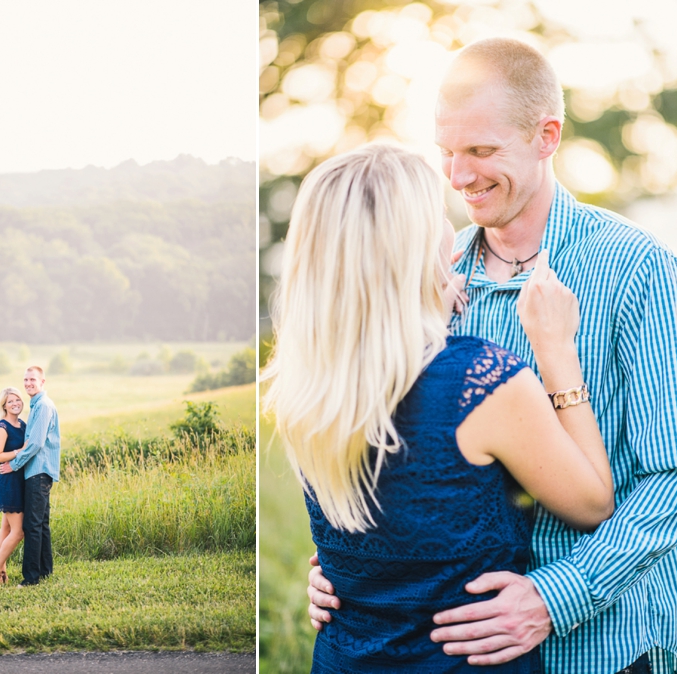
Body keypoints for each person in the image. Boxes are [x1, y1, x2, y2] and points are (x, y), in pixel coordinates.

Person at [305, 38, 677, 674]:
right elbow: (389, 454)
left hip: (603, 649)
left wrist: (555, 597)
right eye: (446, 151)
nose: (459, 175)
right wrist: (349, 569)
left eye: (483, 151)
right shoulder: (428, 273)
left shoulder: (634, 267)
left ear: (546, 136)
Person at [264, 142, 617, 671]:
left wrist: (421, 304)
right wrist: (556, 351)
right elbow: (592, 505)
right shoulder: (481, 383)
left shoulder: (306, 389)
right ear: (417, 245)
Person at [0, 366, 61, 586]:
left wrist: (14, 464)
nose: (28, 384)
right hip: (40, 472)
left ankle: (31, 578)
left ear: (43, 381)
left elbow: (34, 443)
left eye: (32, 379)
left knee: (32, 526)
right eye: (25, 380)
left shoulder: (42, 406)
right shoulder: (36, 406)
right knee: (41, 524)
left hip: (38, 472)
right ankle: (45, 571)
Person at [0, 386, 26, 586]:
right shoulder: (2, 427)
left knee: (6, 527)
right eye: (10, 401)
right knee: (18, 532)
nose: (15, 403)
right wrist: (20, 451)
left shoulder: (23, 425)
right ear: (4, 405)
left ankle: (1, 573)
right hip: (9, 482)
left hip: (21, 481)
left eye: (17, 399)